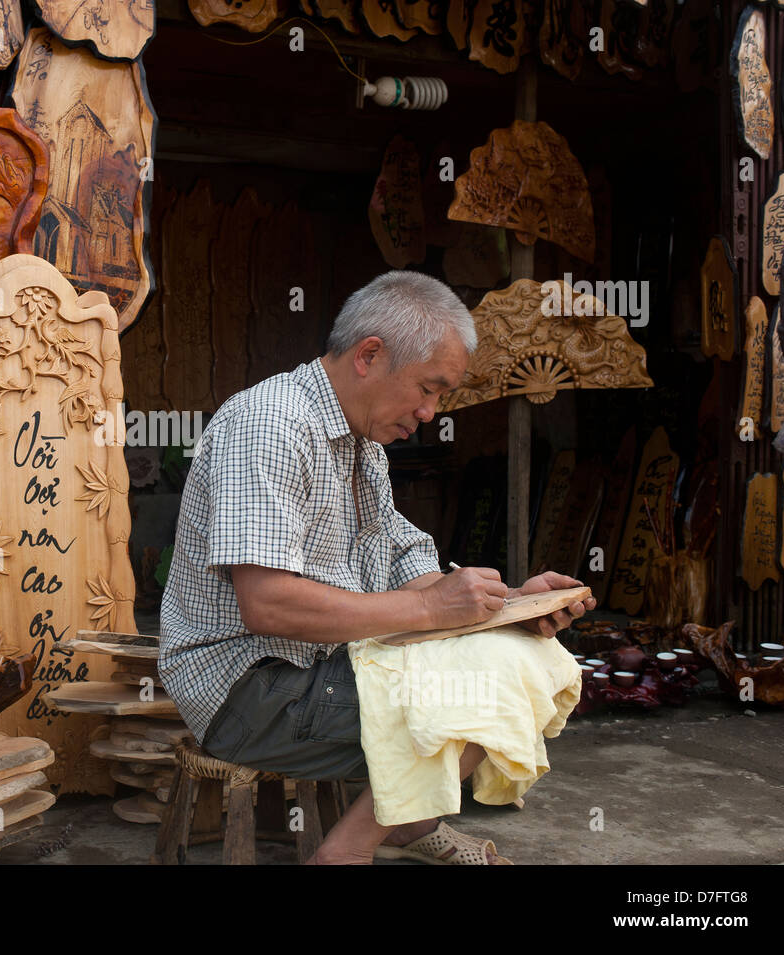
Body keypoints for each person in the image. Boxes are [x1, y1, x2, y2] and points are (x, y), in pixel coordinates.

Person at [159, 270, 597, 865]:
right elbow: (268, 603)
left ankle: (402, 823)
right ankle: (349, 850)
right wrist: (429, 608)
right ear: (370, 355)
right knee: (485, 692)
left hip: (323, 664)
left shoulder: (363, 443)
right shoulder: (270, 425)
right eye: (428, 388)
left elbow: (402, 561)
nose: (429, 411)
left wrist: (513, 604)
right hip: (249, 689)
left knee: (531, 658)